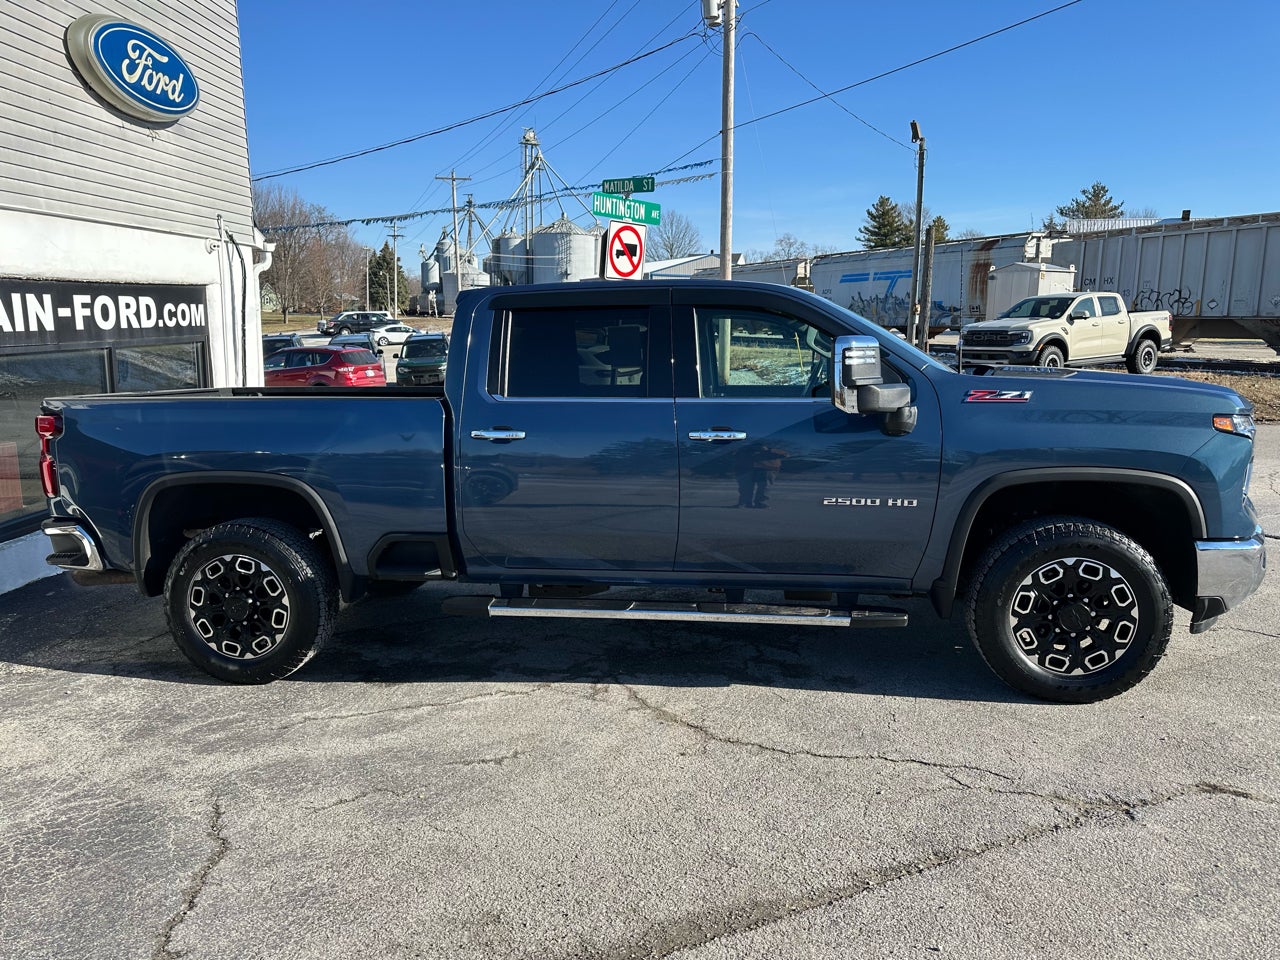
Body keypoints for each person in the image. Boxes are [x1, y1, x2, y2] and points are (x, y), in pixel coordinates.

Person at [734, 441, 788, 508]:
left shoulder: (772, 450)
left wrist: (769, 450)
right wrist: (745, 449)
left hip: (766, 469)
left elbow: (785, 454)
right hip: (747, 469)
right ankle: (745, 502)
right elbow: (734, 456)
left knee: (764, 487)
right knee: (746, 487)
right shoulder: (744, 450)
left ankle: (760, 503)